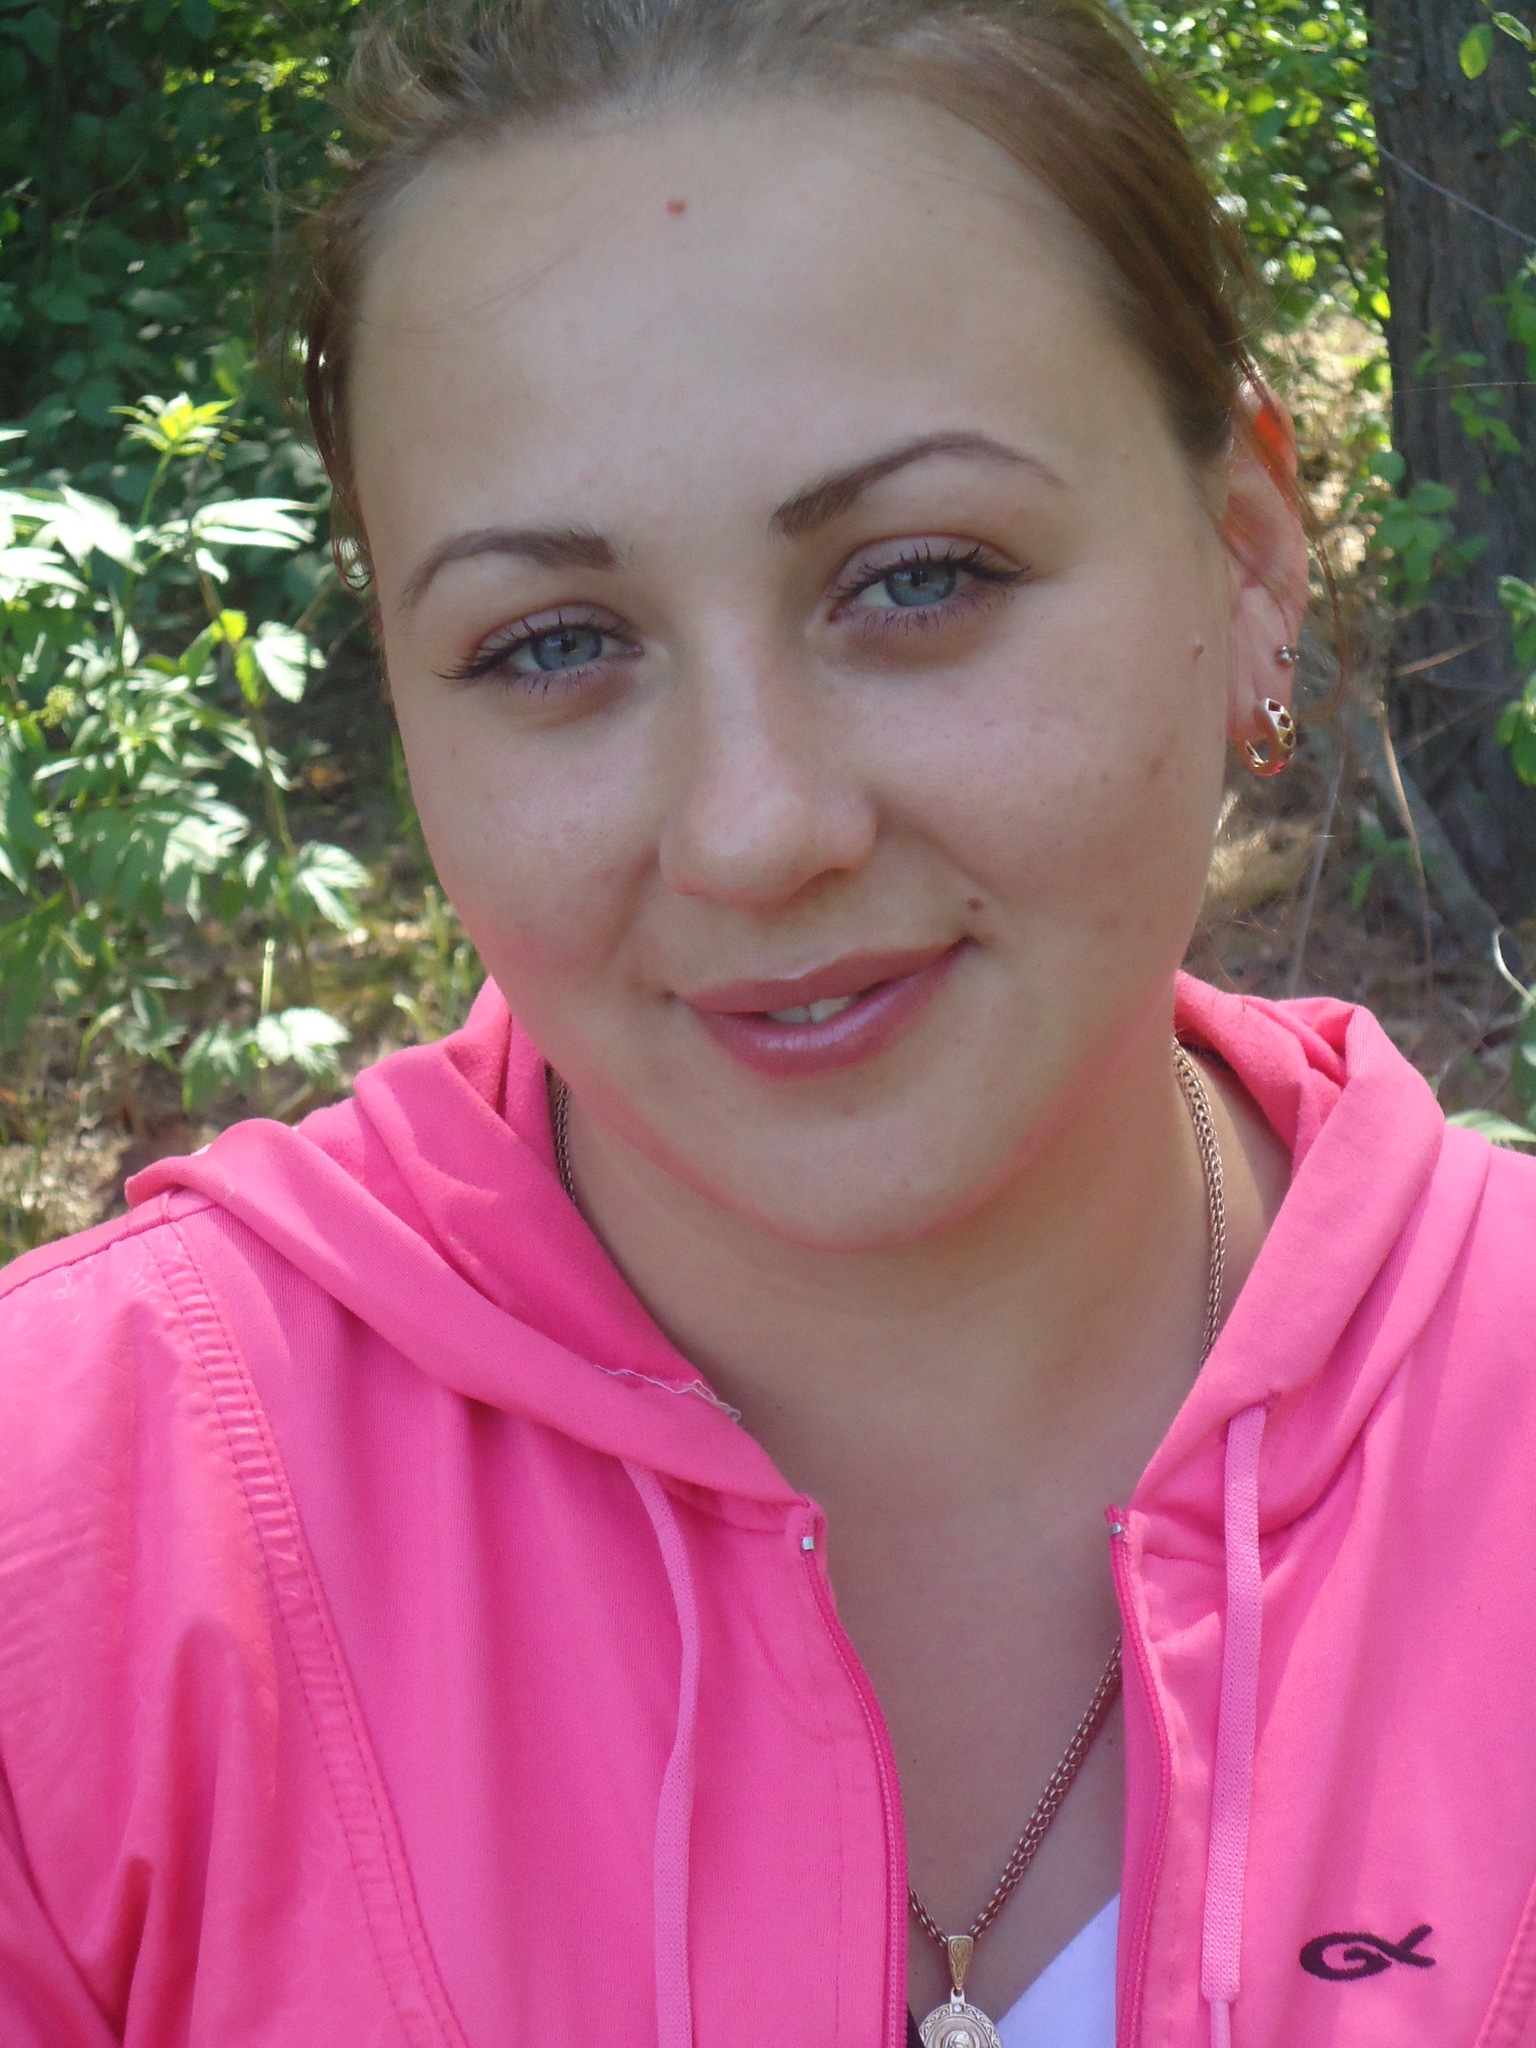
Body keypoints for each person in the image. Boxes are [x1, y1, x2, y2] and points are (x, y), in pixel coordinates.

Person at [2, 1, 1534, 2043]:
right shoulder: (72, 1542)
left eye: (918, 580)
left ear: (1249, 558)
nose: (755, 831)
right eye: (551, 642)